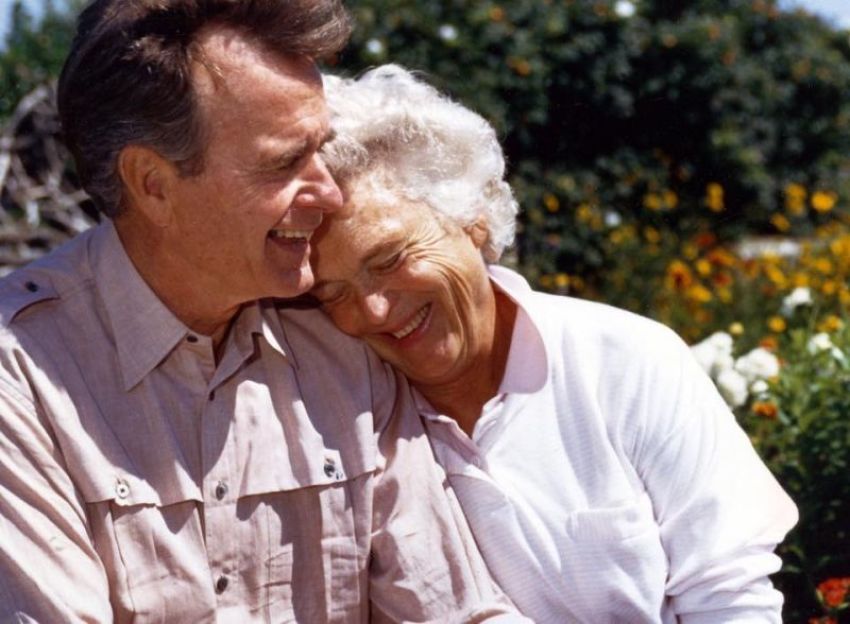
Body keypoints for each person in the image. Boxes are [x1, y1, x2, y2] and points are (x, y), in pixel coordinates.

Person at [0, 4, 525, 622]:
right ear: (152, 184)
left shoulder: (337, 332)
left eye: (321, 151)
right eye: (283, 163)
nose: (328, 193)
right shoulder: (23, 378)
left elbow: (458, 610)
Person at [311, 64, 800, 624]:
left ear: (471, 222)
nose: (371, 310)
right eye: (332, 293)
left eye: (392, 258)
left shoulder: (627, 362)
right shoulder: (351, 417)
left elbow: (730, 597)